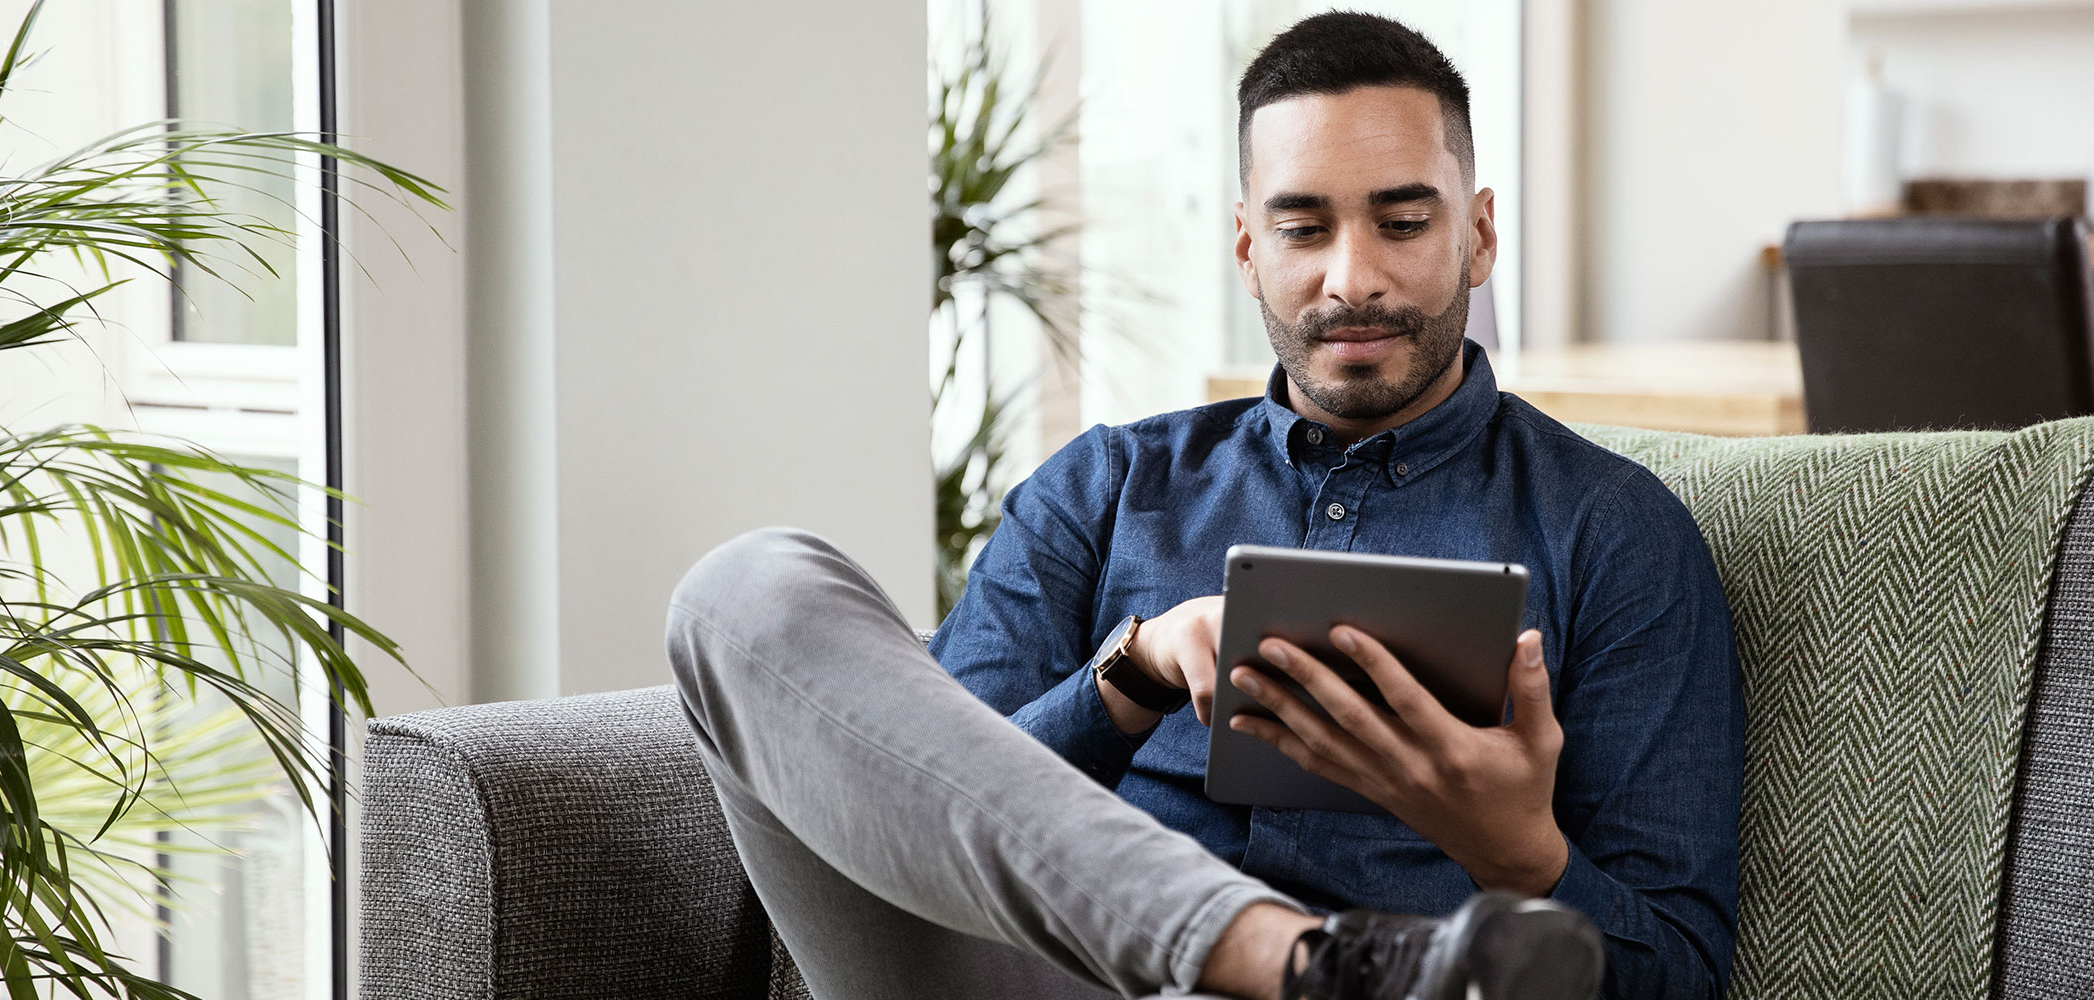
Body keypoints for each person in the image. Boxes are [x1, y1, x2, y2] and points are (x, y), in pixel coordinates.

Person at [664, 12, 1739, 1000]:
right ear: (1246, 247)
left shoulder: (1613, 532)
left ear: (1480, 235)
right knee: (743, 588)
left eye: (1403, 222)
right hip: (1051, 982)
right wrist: (1127, 678)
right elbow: (923, 797)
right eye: (1302, 228)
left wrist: (1517, 855)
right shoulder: (1104, 488)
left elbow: (1679, 972)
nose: (1351, 278)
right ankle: (1310, 962)